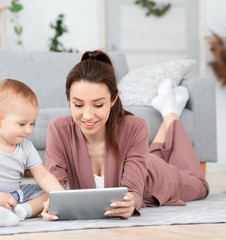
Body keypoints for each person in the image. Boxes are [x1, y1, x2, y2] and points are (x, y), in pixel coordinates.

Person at [42, 50, 209, 221]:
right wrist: (52, 206)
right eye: (78, 104)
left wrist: (131, 203)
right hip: (142, 159)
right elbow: (56, 192)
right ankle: (170, 110)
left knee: (200, 185)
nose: (87, 115)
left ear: (113, 99)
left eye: (98, 105)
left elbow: (133, 192)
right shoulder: (58, 129)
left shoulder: (134, 127)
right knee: (150, 155)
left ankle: (171, 113)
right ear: (69, 99)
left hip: (155, 176)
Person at [0, 79, 64, 227]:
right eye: (22, 124)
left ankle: (23, 211)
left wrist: (60, 195)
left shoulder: (26, 147)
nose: (29, 130)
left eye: (32, 124)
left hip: (14, 198)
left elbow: (43, 175)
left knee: (48, 194)